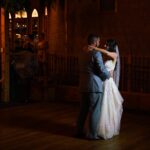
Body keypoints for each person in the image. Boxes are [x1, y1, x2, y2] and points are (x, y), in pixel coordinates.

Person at [76, 34, 111, 140]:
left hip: (83, 84)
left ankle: (78, 131)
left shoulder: (81, 53)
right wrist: (107, 75)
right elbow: (101, 69)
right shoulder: (96, 53)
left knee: (83, 109)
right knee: (95, 110)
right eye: (98, 42)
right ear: (95, 42)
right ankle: (92, 134)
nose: (99, 44)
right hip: (94, 85)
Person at [90, 39, 124, 140]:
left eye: (107, 44)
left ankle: (106, 129)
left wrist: (95, 48)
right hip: (104, 81)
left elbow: (106, 52)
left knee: (107, 104)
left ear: (111, 46)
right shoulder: (108, 56)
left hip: (108, 83)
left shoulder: (114, 55)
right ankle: (97, 128)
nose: (105, 45)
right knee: (101, 104)